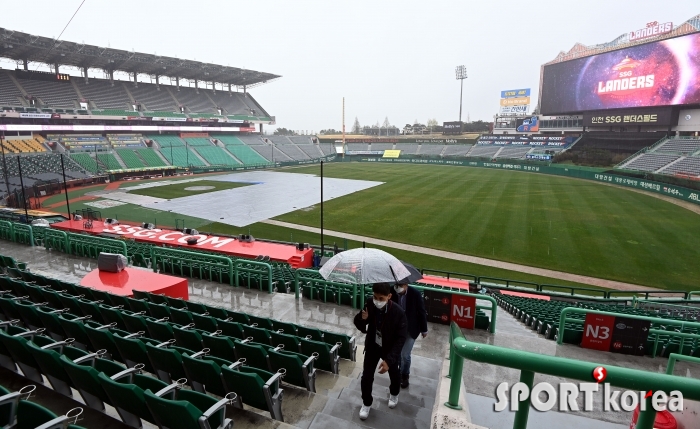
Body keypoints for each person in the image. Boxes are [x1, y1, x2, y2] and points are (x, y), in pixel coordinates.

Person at [353, 283, 408, 420]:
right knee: (366, 377)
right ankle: (366, 402)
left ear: (389, 296)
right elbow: (358, 322)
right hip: (373, 345)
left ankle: (394, 393)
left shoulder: (398, 313)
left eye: (381, 298)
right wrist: (362, 319)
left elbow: (401, 339)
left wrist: (389, 360)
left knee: (394, 374)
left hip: (389, 348)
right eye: (375, 297)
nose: (377, 301)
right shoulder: (370, 304)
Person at [391, 282, 428, 388]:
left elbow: (421, 311)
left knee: (405, 355)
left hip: (410, 329)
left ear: (406, 285)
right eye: (396, 285)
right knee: (397, 353)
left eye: (401, 285)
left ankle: (405, 375)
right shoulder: (391, 291)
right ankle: (397, 373)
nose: (398, 288)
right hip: (396, 329)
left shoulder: (415, 294)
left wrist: (424, 329)